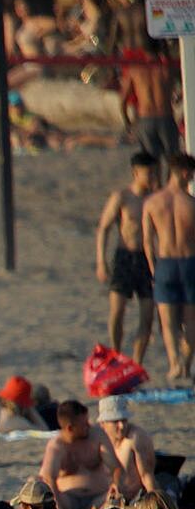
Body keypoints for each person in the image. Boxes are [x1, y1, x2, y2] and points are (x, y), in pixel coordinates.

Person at [98, 151, 158, 367]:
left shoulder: (155, 199)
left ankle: (137, 363)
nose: (152, 177)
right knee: (117, 310)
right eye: (148, 173)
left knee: (148, 314)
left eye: (154, 172)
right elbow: (104, 228)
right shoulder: (122, 197)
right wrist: (101, 261)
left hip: (146, 258)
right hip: (124, 256)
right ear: (135, 173)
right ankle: (115, 355)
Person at [144, 151, 195, 383]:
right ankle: (186, 364)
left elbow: (147, 240)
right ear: (184, 173)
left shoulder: (152, 202)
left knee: (167, 321)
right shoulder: (191, 204)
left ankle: (174, 363)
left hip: (164, 263)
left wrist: (152, 267)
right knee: (191, 320)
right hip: (189, 262)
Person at [38, 399, 115, 509]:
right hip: (69, 501)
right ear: (70, 428)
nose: (88, 425)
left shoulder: (97, 435)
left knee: (114, 501)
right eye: (84, 424)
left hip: (99, 498)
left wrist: (114, 489)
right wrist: (58, 508)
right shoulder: (57, 446)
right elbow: (48, 478)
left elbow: (116, 468)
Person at [99, 395, 158, 501]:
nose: (121, 426)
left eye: (124, 420)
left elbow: (147, 476)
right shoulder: (97, 442)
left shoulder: (135, 438)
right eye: (115, 421)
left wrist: (155, 504)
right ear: (102, 424)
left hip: (136, 499)